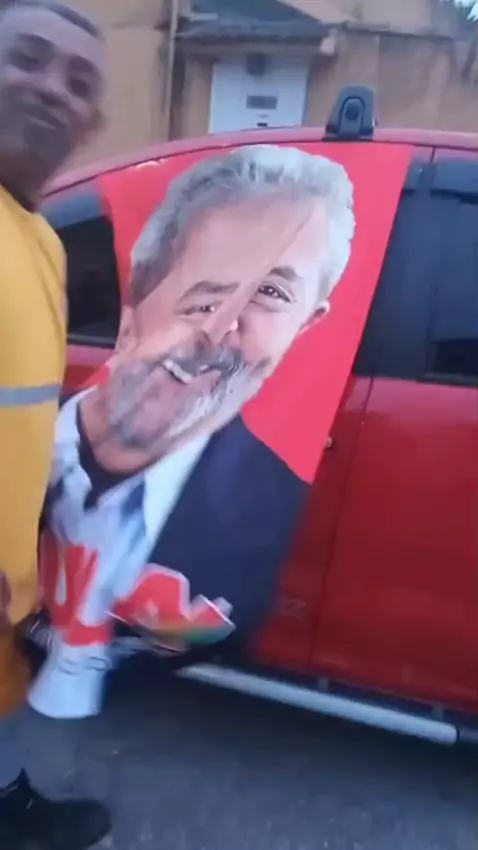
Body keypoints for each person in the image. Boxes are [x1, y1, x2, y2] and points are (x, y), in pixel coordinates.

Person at [29, 144, 356, 720]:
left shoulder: (267, 507)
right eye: (210, 283)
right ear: (139, 290)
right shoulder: (22, 431)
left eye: (271, 293)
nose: (221, 328)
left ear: (307, 323)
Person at [0, 2, 111, 848]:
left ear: (92, 122)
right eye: (27, 57)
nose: (50, 88)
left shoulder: (39, 237)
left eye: (78, 81)